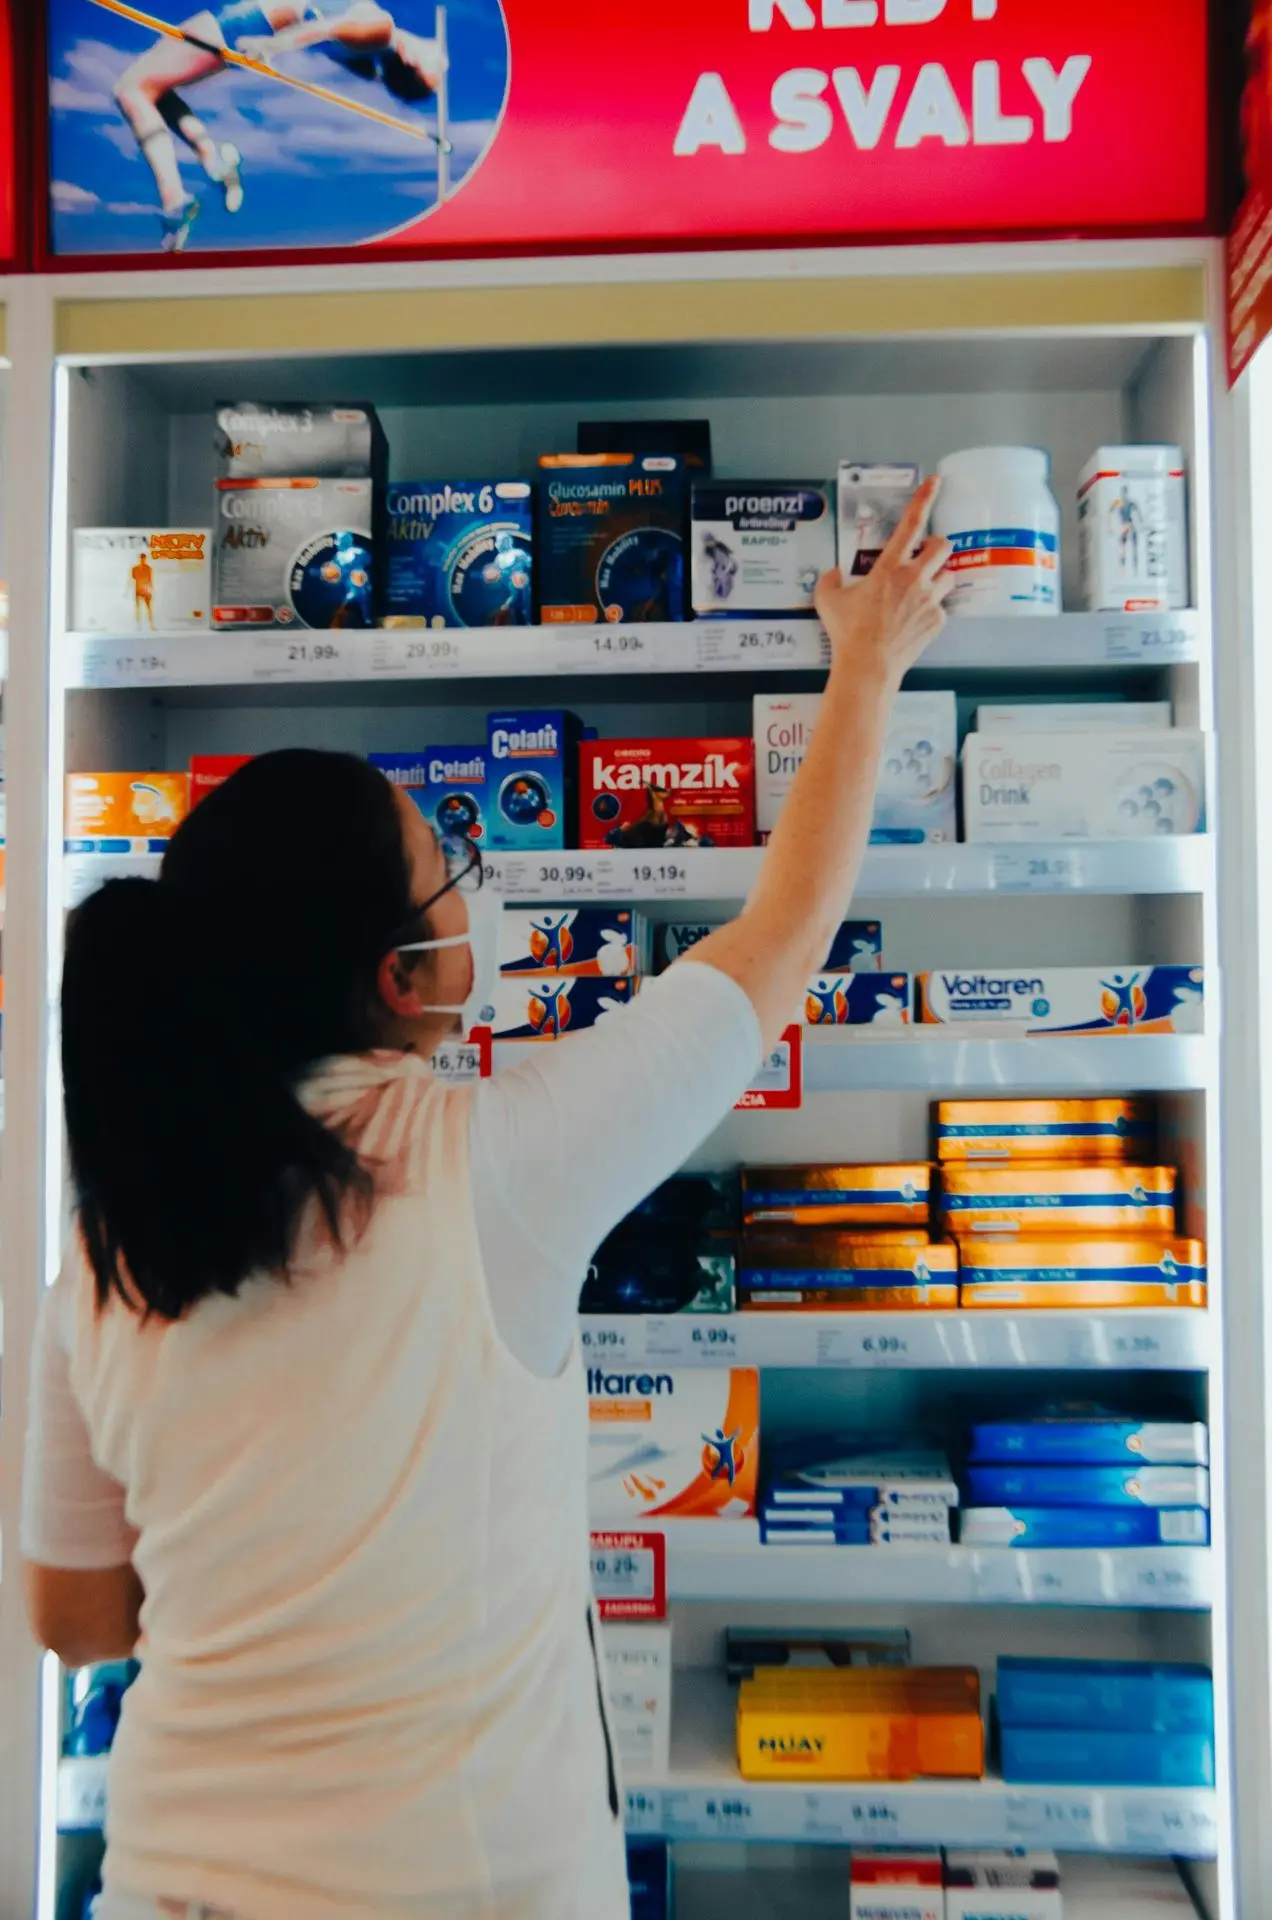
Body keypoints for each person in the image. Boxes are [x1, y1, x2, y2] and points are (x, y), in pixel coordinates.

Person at [22, 482, 952, 1920]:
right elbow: (780, 942)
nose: (478, 892)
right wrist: (869, 660)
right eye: (450, 868)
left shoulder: (104, 1237)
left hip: (173, 1882)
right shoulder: (499, 1164)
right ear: (403, 980)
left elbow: (79, 1620)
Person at [113, 3, 447, 251]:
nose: (444, 61)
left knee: (132, 89)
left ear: (413, 62)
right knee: (152, 90)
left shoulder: (381, 28)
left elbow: (322, 28)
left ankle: (175, 201)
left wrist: (270, 46)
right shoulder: (371, 61)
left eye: (437, 69)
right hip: (247, 21)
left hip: (245, 25)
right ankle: (213, 160)